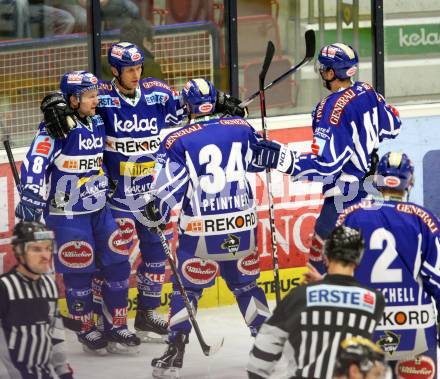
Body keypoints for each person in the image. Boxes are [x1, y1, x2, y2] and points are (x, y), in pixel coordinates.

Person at [143, 78, 270, 379]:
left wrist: (155, 212)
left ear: (187, 106)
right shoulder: (241, 127)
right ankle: (266, 347)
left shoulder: (176, 140)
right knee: (247, 287)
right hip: (242, 226)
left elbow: (167, 189)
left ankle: (175, 348)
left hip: (200, 231)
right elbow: (260, 159)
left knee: (187, 289)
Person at [15, 70, 140, 354]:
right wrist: (32, 193)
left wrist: (108, 177)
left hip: (99, 208)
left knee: (119, 262)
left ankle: (116, 324)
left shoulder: (96, 120)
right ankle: (86, 327)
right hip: (68, 213)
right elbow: (36, 161)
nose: (96, 100)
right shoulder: (55, 128)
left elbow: (98, 158)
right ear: (73, 100)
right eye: (89, 96)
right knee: (79, 270)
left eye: (96, 94)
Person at [251, 43, 402, 273]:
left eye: (324, 68)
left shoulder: (329, 109)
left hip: (343, 201)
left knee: (317, 271)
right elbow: (394, 125)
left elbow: (326, 167)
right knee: (365, 270)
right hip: (373, 195)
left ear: (332, 73)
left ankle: (316, 308)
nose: (321, 72)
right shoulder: (367, 91)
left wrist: (282, 158)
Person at [331, 152, 440, 377]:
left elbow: (336, 276)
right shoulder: (425, 220)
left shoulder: (350, 216)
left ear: (378, 181)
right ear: (410, 182)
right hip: (416, 327)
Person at [247, 225, 385, 379]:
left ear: (326, 255)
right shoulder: (375, 301)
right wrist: (326, 282)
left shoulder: (300, 295)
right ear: (358, 260)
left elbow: (266, 345)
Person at [0, 221, 73, 379]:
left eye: (48, 248)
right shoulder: (4, 288)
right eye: (36, 249)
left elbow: (56, 332)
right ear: (19, 251)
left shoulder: (49, 284)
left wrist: (63, 371)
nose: (45, 255)